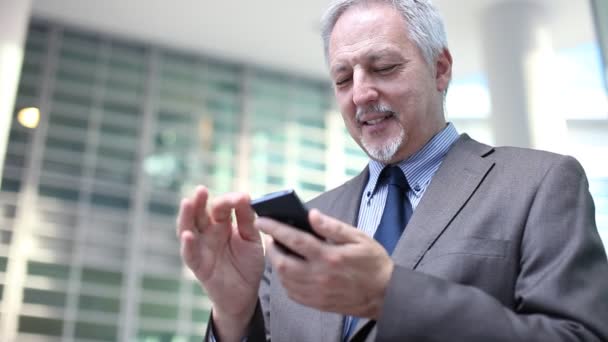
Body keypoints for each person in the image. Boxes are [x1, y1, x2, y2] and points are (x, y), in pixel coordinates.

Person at [176, 0, 608, 341]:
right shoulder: (305, 224)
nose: (361, 93)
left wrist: (390, 293)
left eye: (383, 67)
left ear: (440, 69)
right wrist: (232, 315)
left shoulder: (539, 184)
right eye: (343, 78)